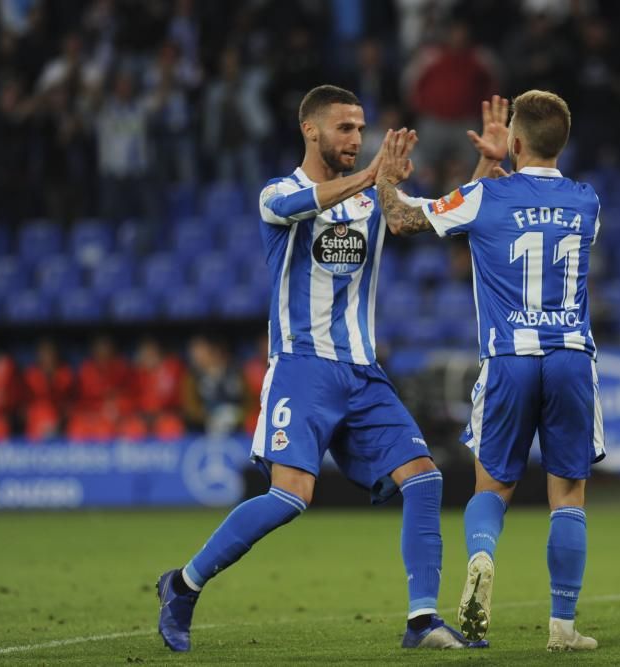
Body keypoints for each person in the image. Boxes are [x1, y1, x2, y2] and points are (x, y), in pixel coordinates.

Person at [155, 85, 484, 652]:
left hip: (362, 370)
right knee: (290, 497)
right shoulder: (276, 193)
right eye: (345, 128)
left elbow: (430, 217)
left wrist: (488, 167)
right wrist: (378, 174)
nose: (357, 138)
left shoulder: (371, 196)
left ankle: (422, 621)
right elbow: (304, 205)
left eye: (362, 128)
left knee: (425, 478)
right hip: (302, 369)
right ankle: (183, 586)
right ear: (310, 129)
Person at [376, 90, 604, 651]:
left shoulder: (485, 196)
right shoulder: (586, 201)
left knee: (493, 486)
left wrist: (384, 175)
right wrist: (506, 163)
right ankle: (562, 627)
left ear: (516, 140)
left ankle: (481, 554)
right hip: (572, 357)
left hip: (509, 358)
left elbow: (401, 218)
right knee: (568, 494)